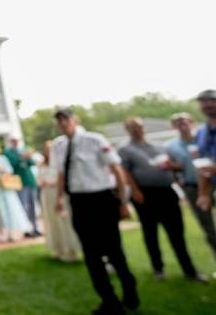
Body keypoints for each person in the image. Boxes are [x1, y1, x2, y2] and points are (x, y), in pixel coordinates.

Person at [52, 109, 138, 315]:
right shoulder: (59, 145)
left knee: (114, 250)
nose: (63, 124)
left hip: (102, 199)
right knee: (91, 255)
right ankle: (109, 300)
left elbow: (116, 169)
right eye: (59, 121)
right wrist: (59, 198)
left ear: (75, 120)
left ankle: (130, 291)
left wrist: (123, 201)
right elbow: (62, 174)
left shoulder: (94, 139)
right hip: (79, 202)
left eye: (66, 119)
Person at [118, 117, 204, 281]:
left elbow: (176, 165)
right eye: (132, 127)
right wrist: (135, 191)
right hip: (144, 195)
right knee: (151, 233)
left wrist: (171, 167)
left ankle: (189, 270)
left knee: (177, 234)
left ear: (144, 127)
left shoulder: (159, 146)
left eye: (139, 126)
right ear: (127, 130)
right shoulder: (125, 149)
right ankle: (158, 269)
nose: (137, 130)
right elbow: (124, 171)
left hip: (167, 193)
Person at [166, 113, 216, 263]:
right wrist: (175, 172)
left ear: (192, 123)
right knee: (208, 227)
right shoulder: (171, 146)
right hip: (193, 188)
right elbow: (173, 168)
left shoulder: (204, 136)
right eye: (178, 123)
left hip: (213, 182)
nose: (183, 125)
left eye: (185, 122)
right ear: (174, 126)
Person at [37, 141, 80, 262]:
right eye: (47, 149)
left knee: (64, 221)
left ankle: (71, 250)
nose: (49, 152)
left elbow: (64, 179)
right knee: (51, 221)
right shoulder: (42, 164)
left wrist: (51, 183)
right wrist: (42, 183)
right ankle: (58, 248)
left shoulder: (61, 164)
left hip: (59, 193)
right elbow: (39, 178)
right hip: (46, 195)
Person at [5, 136, 41, 238]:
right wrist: (22, 157)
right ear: (11, 141)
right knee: (23, 206)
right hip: (20, 183)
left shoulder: (24, 150)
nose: (16, 142)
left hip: (30, 181)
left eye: (17, 140)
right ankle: (27, 229)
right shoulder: (8, 153)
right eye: (14, 140)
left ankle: (35, 227)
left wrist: (28, 157)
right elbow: (11, 165)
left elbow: (32, 163)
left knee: (33, 206)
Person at [195, 90, 216, 212]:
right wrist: (203, 193)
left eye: (212, 100)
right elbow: (202, 164)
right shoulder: (201, 132)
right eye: (203, 101)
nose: (208, 104)